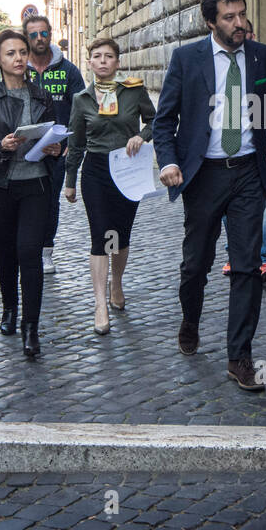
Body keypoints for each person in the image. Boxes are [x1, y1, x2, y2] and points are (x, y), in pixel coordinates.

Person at [153, 0, 266, 391]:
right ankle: (190, 319)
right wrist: (168, 161)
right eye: (230, 17)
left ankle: (240, 357)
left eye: (242, 15)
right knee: (195, 264)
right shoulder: (187, 59)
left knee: (248, 266)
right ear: (211, 21)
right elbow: (165, 121)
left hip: (248, 174)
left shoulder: (262, 56)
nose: (239, 24)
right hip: (203, 175)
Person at [0, 29, 62, 358]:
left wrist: (54, 149)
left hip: (35, 184)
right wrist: (1, 146)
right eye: (11, 53)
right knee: (6, 253)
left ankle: (30, 328)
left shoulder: (41, 96)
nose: (19, 58)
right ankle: (9, 308)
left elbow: (54, 135)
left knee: (29, 253)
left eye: (22, 52)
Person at [62, 37, 156, 335]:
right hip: (96, 172)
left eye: (109, 56)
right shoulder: (82, 100)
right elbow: (75, 143)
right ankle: (100, 303)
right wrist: (69, 182)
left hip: (128, 170)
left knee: (120, 234)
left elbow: (155, 121)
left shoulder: (134, 91)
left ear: (117, 63)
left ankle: (117, 283)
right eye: (97, 56)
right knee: (101, 235)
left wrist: (142, 136)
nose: (103, 61)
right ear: (89, 62)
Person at [23, 14, 86, 275]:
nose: (39, 38)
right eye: (33, 35)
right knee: (27, 201)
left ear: (51, 34)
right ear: (27, 38)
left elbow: (82, 110)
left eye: (43, 33)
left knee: (50, 201)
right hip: (24, 150)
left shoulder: (69, 71)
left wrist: (72, 146)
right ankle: (28, 249)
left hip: (57, 151)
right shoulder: (19, 68)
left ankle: (46, 251)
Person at [222, 19, 266, 282]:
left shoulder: (262, 59)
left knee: (259, 205)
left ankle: (262, 259)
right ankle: (235, 255)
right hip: (224, 149)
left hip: (255, 146)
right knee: (226, 208)